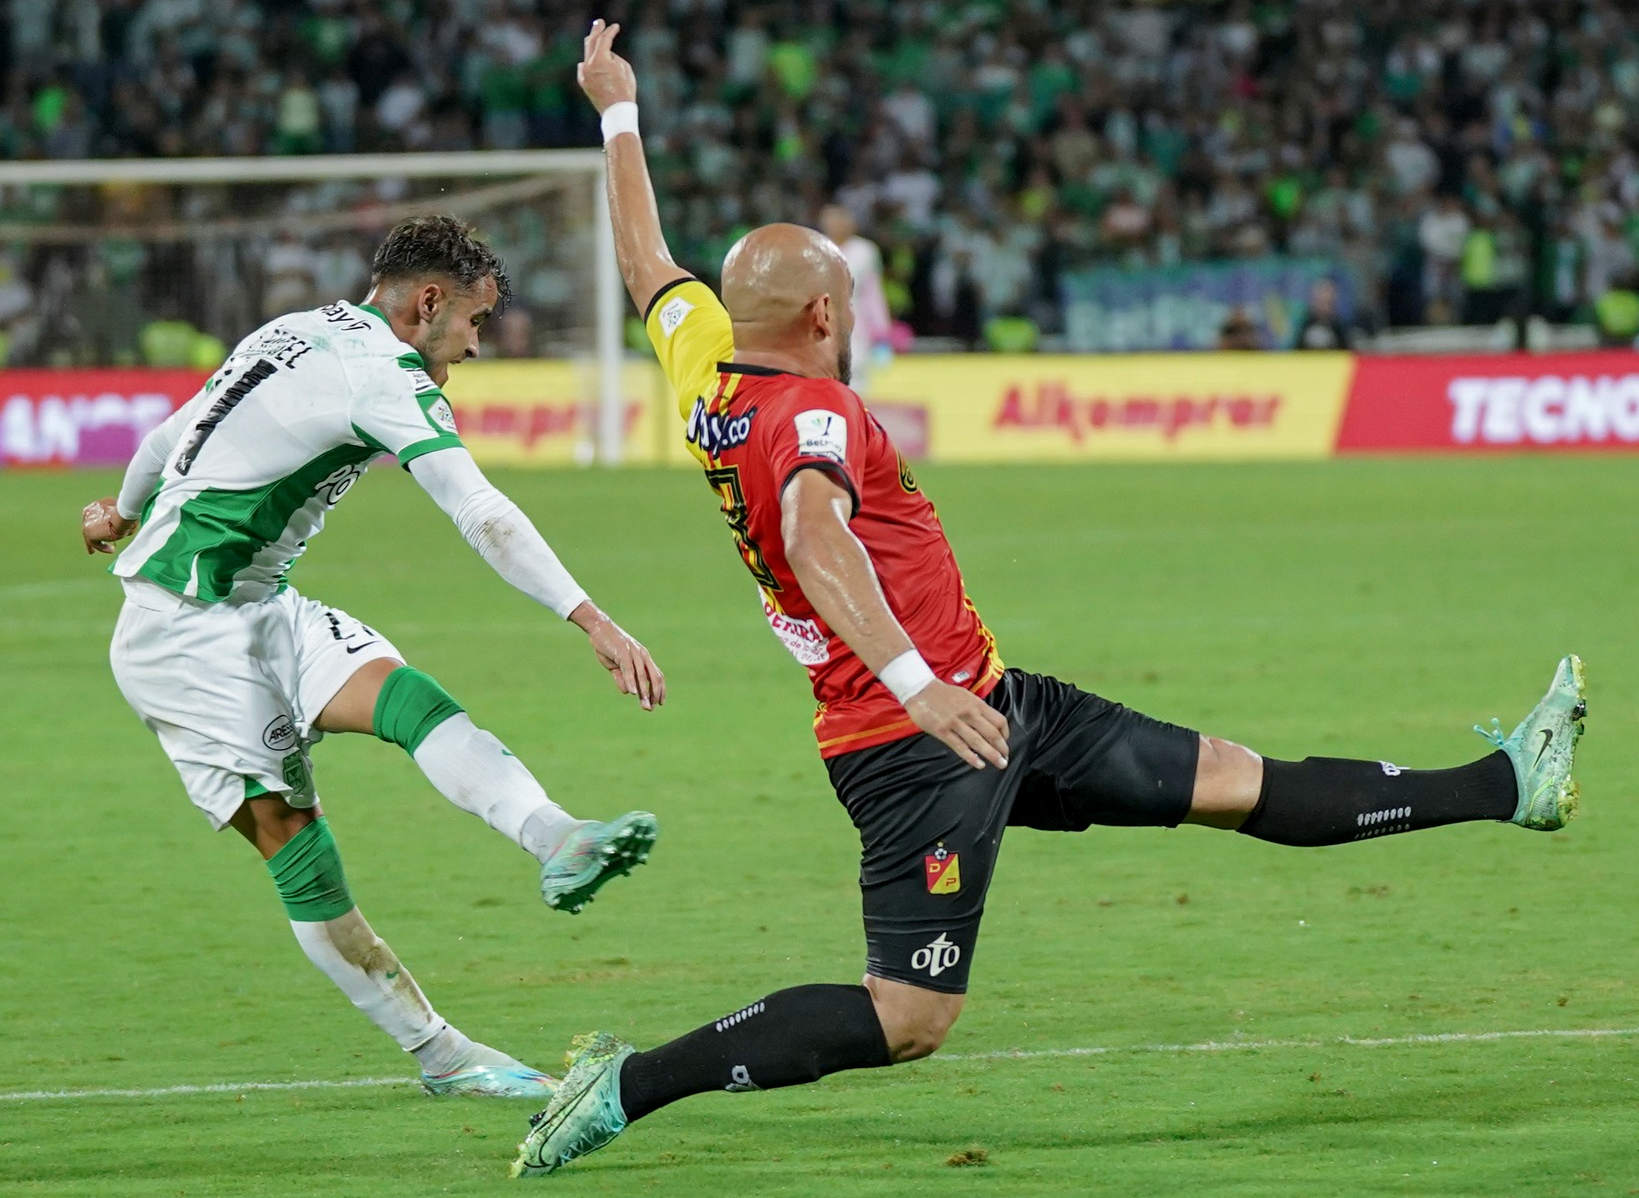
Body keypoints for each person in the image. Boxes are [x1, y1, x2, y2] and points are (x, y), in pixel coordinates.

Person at [514, 22, 1589, 1176]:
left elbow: (644, 266)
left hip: (997, 704)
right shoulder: (812, 417)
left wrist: (617, 112)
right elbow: (810, 533)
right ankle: (624, 1085)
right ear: (825, 317)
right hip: (913, 743)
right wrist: (917, 684)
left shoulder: (707, 366)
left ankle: (1506, 784)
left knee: (1232, 777)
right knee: (908, 1016)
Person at [81, 215, 666, 1099]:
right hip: (182, 632)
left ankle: (559, 838)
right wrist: (591, 618)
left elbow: (169, 438)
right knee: (295, 840)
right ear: (427, 303)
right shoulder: (386, 376)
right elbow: (479, 511)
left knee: (407, 699)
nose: (475, 346)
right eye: (473, 322)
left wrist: (122, 511)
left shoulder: (294, 328)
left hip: (257, 601)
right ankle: (441, 1056)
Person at [817, 204, 892, 396]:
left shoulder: (864, 251)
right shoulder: (817, 247)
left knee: (856, 376)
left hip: (857, 320)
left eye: (840, 220)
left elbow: (873, 294)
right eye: (830, 221)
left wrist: (882, 335)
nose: (835, 225)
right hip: (823, 318)